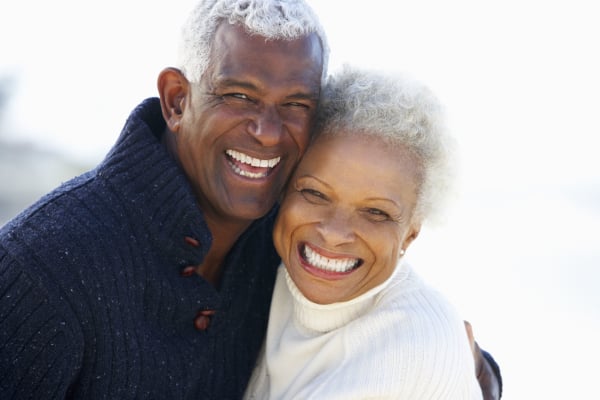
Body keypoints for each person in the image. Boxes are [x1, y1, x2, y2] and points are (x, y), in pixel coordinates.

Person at [0, 0, 500, 398]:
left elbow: (389, 323)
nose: (266, 132)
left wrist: (472, 370)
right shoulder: (41, 266)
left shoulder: (286, 236)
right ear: (177, 99)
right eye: (239, 96)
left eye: (296, 104)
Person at [244, 66, 491, 399]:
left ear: (410, 235)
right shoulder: (253, 272)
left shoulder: (417, 344)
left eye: (376, 212)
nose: (334, 233)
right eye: (315, 193)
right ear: (284, 190)